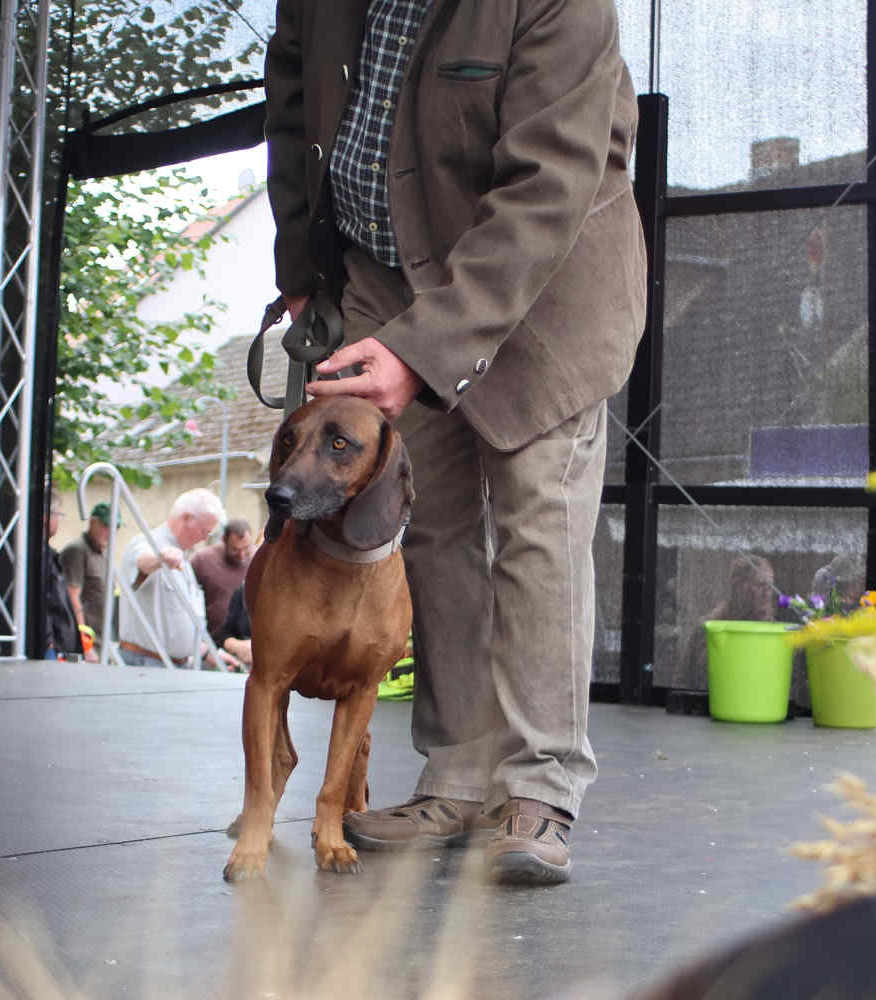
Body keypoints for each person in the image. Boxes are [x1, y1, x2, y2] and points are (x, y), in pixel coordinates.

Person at [264, 0, 646, 883]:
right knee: (423, 522)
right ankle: (460, 776)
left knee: (536, 525)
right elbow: (291, 107)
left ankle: (539, 790)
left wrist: (424, 349)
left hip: (542, 282)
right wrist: (303, 269)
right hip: (380, 269)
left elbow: (551, 184)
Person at [116, 488, 241, 671]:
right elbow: (142, 562)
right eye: (205, 531)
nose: (205, 538)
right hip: (146, 665)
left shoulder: (184, 559)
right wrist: (160, 558)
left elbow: (181, 622)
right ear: (187, 518)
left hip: (175, 666)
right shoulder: (147, 542)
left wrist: (209, 654)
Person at [189, 517, 255, 643]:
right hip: (211, 642)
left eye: (246, 548)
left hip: (247, 643)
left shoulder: (257, 561)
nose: (241, 555)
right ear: (224, 540)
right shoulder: (202, 560)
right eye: (235, 549)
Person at [60, 501, 118, 642]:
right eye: (106, 526)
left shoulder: (102, 554)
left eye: (115, 527)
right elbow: (72, 597)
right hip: (86, 643)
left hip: (102, 641)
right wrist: (84, 643)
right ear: (92, 523)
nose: (110, 532)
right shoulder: (77, 550)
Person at [43, 495, 86, 661]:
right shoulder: (40, 556)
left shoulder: (48, 554)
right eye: (58, 515)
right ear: (47, 516)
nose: (59, 521)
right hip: (48, 646)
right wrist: (49, 642)